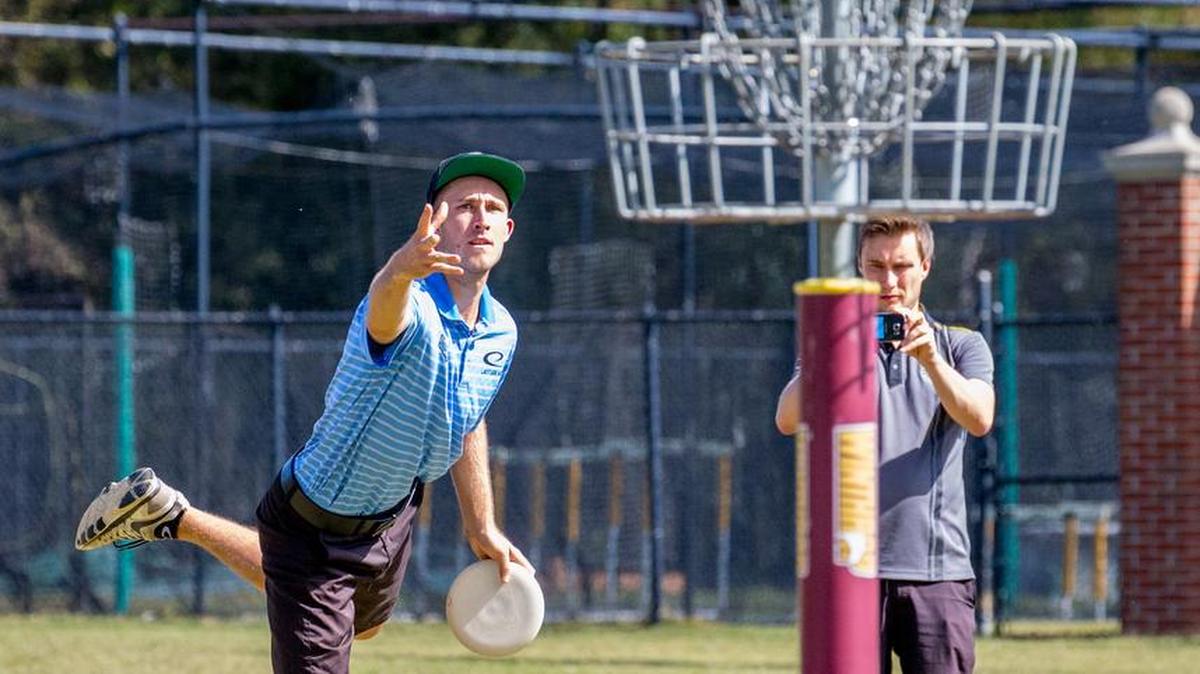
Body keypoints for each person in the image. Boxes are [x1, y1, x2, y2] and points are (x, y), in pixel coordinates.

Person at [75, 151, 535, 673]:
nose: (480, 217)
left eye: (493, 208)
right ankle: (192, 525)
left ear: (508, 228)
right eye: (464, 205)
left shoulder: (501, 330)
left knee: (366, 624)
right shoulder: (412, 302)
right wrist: (401, 268)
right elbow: (387, 310)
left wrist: (482, 526)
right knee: (310, 590)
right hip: (316, 520)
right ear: (432, 219)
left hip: (395, 508)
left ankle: (174, 516)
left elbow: (469, 415)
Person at [774, 215, 995, 674]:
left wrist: (930, 360)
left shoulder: (960, 346)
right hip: (852, 569)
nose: (889, 280)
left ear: (926, 267)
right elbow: (787, 418)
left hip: (938, 571)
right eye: (875, 265)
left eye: (902, 265)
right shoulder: (835, 347)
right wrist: (835, 348)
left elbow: (979, 419)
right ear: (858, 266)